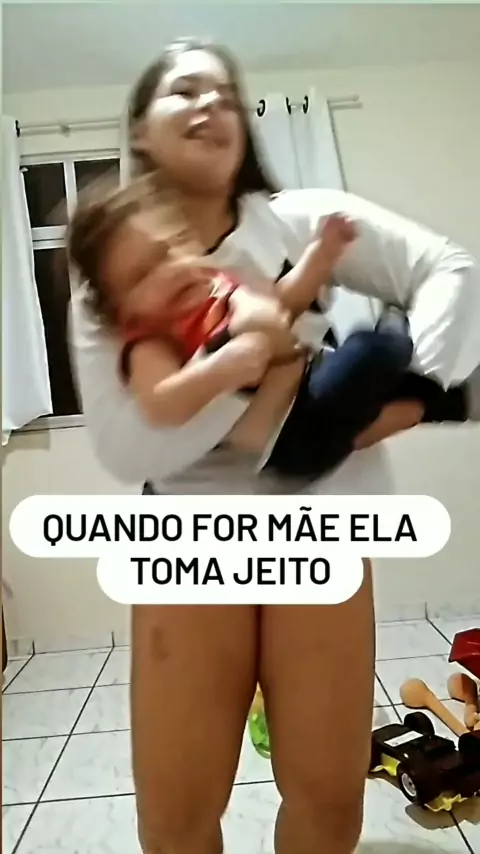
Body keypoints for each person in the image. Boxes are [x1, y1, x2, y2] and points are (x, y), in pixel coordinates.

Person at [68, 38, 480, 854]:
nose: (209, 103)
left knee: (329, 798)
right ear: (141, 128)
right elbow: (128, 444)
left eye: (225, 92)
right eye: (185, 90)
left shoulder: (294, 222)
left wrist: (416, 393)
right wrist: (265, 374)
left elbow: (448, 266)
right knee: (176, 821)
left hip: (323, 526)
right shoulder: (108, 275)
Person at [68, 174, 478, 481]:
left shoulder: (219, 288)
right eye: (141, 276)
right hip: (285, 438)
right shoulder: (149, 343)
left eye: (169, 249)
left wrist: (321, 255)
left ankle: (433, 394)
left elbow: (284, 304)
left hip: (307, 386)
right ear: (121, 313)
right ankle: (433, 392)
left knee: (368, 361)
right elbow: (161, 403)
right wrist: (220, 367)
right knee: (371, 353)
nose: (167, 271)